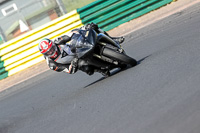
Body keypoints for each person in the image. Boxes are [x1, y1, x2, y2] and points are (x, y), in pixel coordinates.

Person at [38, 23, 124, 76]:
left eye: (52, 49)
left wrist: (83, 28)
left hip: (77, 48)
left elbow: (71, 34)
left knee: (93, 28)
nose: (51, 52)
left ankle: (113, 39)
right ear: (45, 54)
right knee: (88, 69)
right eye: (48, 52)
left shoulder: (58, 41)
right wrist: (74, 63)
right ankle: (101, 69)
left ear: (53, 44)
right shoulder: (52, 64)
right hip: (76, 61)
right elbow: (69, 71)